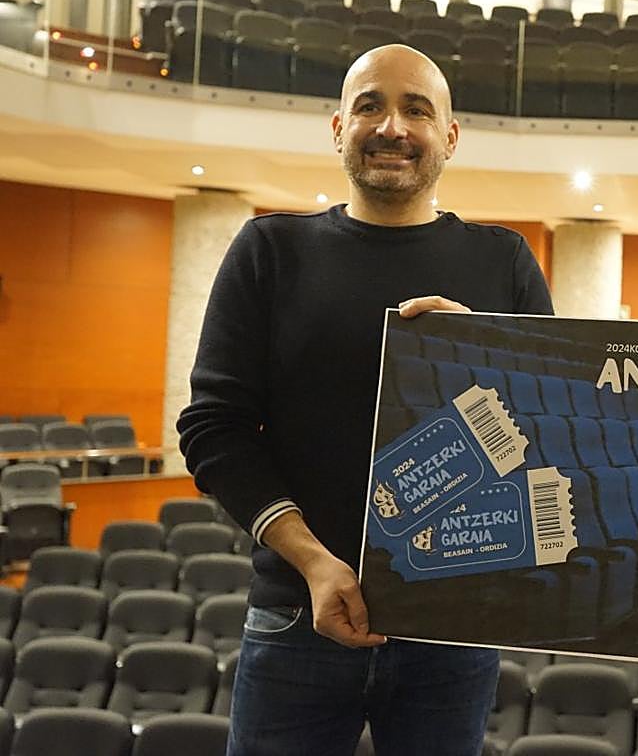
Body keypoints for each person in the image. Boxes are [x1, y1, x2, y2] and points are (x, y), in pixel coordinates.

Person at [177, 44, 553, 756]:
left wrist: (486, 355)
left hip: (453, 630)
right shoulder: (270, 251)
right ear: (337, 127)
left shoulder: (503, 263)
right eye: (370, 106)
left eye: (417, 109)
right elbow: (213, 429)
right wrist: (315, 562)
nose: (392, 127)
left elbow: (557, 432)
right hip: (296, 616)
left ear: (449, 135)